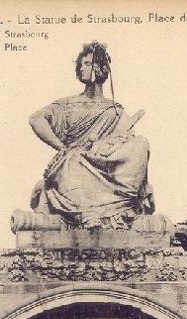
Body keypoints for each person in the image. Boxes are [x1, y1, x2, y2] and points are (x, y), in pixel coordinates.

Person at [29, 42, 154, 230]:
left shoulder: (115, 111)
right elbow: (36, 119)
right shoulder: (68, 104)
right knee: (73, 160)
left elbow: (128, 139)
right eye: (81, 63)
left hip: (106, 163)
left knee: (141, 144)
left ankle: (118, 206)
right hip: (75, 161)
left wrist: (106, 147)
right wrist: (61, 148)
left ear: (100, 68)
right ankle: (86, 211)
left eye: (87, 63)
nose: (81, 67)